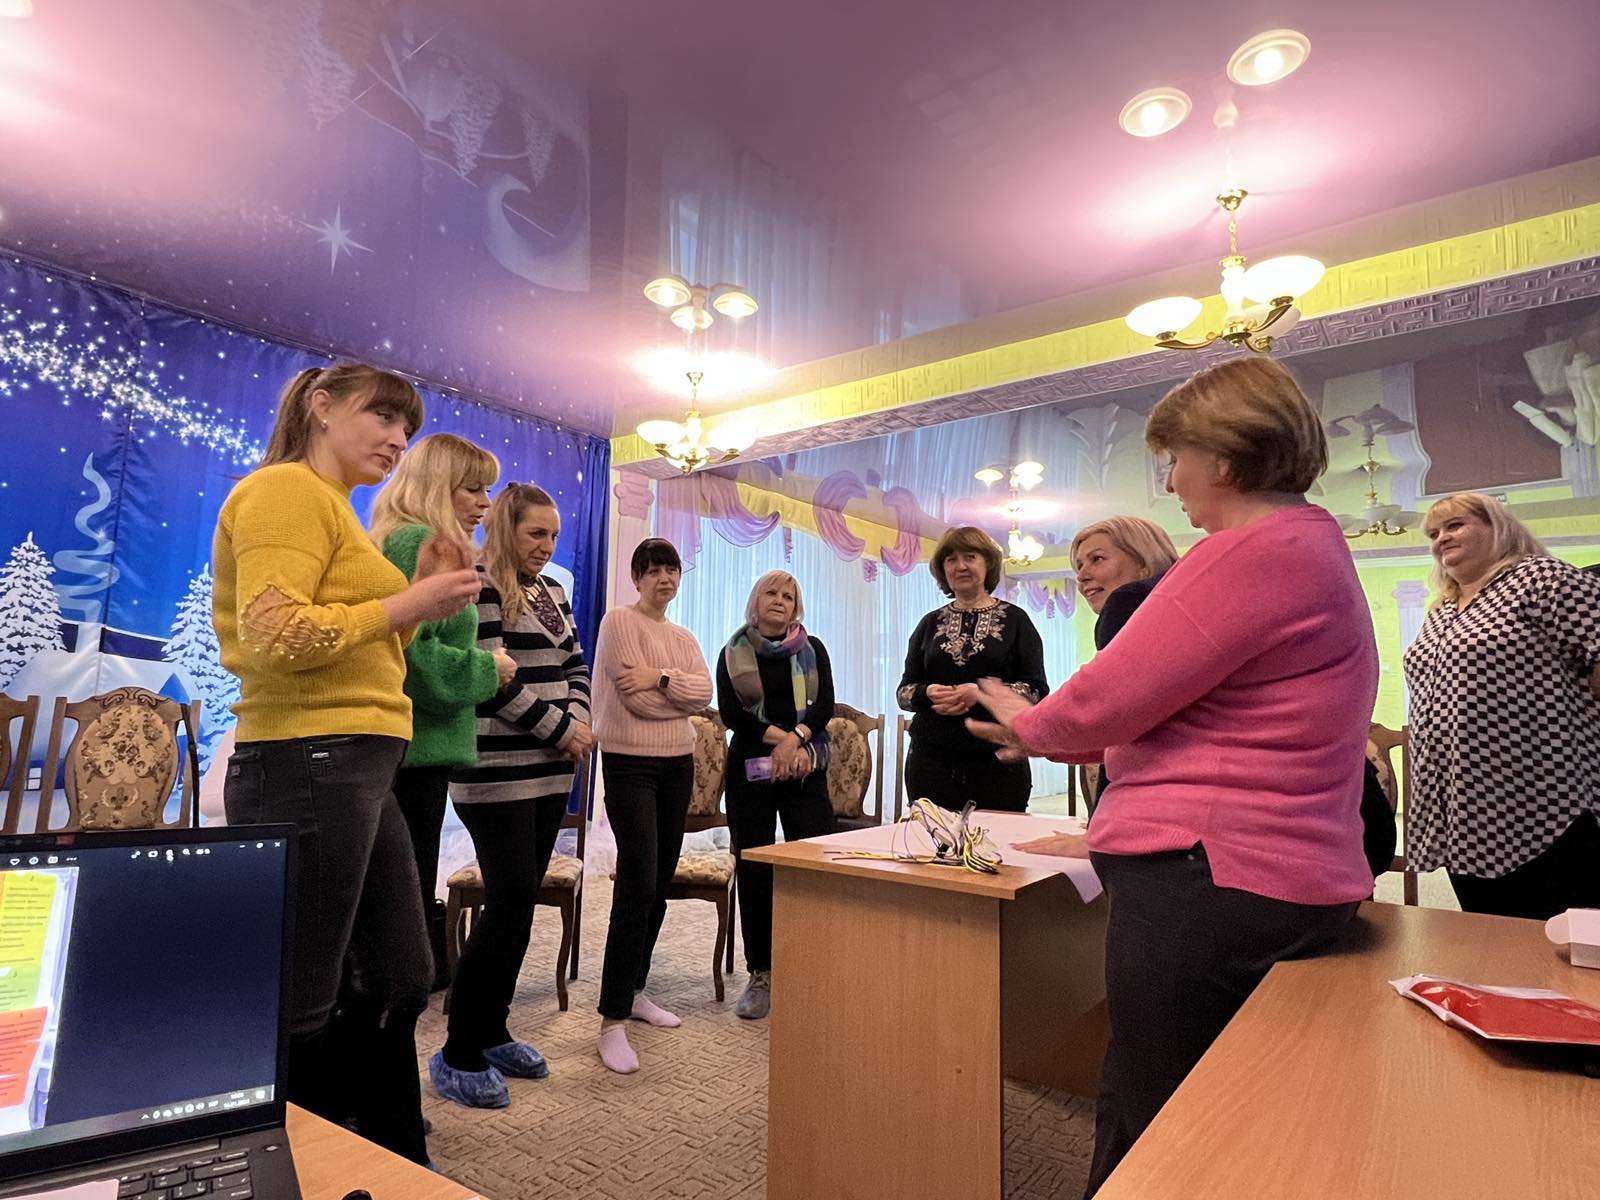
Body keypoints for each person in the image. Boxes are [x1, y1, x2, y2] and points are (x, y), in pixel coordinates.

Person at [968, 356, 1377, 1196]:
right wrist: (1057, 733)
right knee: (1205, 1111)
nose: (1170, 480)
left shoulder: (1250, 550)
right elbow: (1172, 711)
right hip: (1269, 874)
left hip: (1211, 877)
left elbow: (1111, 698)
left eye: (1176, 457)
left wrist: (1029, 722)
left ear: (1223, 454)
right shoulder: (1310, 545)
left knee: (1152, 1119)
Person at [212, 363, 481, 1163]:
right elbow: (277, 635)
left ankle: (382, 1155)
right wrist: (410, 602)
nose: (398, 439)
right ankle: (302, 1163)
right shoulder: (284, 490)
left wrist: (415, 598)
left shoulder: (336, 509)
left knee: (401, 976)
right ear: (322, 406)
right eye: (383, 417)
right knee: (305, 1000)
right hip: (307, 758)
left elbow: (364, 650)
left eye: (407, 427)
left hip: (356, 761)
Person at [431, 483, 594, 1105]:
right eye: (535, 534)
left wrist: (578, 721)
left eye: (553, 536)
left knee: (520, 905)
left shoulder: (552, 591)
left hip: (552, 770)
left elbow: (575, 663)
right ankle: (457, 1051)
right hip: (495, 773)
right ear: (505, 527)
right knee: (508, 904)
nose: (546, 546)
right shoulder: (479, 583)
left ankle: (492, 1030)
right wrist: (563, 730)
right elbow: (491, 678)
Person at [1403, 491, 1600, 919]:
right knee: (1490, 934)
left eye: (1455, 525)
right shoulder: (1442, 608)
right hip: (1462, 806)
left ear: (1498, 528)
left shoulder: (1541, 578)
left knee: (1557, 937)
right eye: (1433, 533)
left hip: (1539, 797)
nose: (1441, 538)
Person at [371, 433, 515, 992]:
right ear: (436, 487)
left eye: (486, 490)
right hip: (416, 744)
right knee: (402, 895)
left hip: (409, 745)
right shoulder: (424, 542)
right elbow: (415, 655)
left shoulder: (402, 539)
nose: (484, 503)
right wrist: (489, 669)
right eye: (472, 489)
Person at [591, 538, 713, 1074]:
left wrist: (661, 678)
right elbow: (634, 702)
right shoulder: (618, 622)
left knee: (659, 880)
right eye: (655, 570)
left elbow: (703, 695)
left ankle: (636, 990)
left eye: (672, 569)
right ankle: (611, 1019)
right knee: (638, 880)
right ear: (637, 578)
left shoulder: (683, 637)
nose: (665, 578)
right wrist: (674, 699)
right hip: (629, 764)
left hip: (676, 765)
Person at [716, 570, 837, 1021]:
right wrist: (783, 742)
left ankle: (812, 962)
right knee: (756, 869)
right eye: (771, 592)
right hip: (751, 770)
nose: (780, 600)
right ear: (756, 600)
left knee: (812, 868)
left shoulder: (813, 648)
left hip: (805, 766)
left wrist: (796, 742)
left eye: (789, 595)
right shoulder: (732, 652)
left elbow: (824, 707)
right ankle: (761, 972)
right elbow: (733, 715)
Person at [896, 525, 1047, 812]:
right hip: (930, 760)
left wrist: (978, 694)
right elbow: (904, 693)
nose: (960, 566)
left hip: (998, 759)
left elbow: (1036, 690)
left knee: (999, 837)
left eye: (970, 556)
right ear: (942, 570)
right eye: (951, 559)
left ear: (988, 563)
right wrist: (928, 693)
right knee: (930, 838)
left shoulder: (1017, 621)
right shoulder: (928, 624)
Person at [1069, 516, 1179, 817]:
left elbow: (1120, 722)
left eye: (1097, 559)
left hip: (1153, 804)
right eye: (1079, 566)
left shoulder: (1127, 600)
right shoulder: (1180, 605)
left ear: (1143, 564)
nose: (1082, 576)